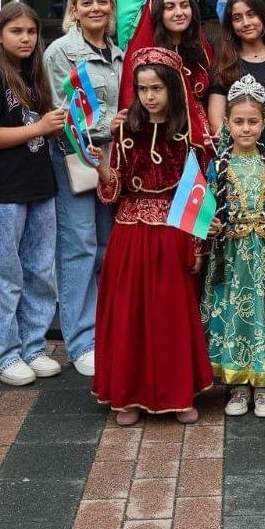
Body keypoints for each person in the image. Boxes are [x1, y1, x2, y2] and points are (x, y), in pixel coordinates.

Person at [95, 48, 213, 425]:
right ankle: (127, 395)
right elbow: (113, 191)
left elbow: (198, 194)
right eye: (142, 88)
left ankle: (179, 394)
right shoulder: (126, 130)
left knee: (171, 314)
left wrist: (196, 244)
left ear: (173, 89)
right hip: (130, 235)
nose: (149, 96)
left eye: (157, 88)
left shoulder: (188, 136)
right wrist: (101, 160)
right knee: (129, 314)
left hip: (172, 234)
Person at [0, 2, 66, 388]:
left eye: (30, 31)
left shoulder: (34, 72)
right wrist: (39, 128)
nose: (25, 38)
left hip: (39, 186)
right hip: (0, 193)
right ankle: (1, 355)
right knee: (3, 276)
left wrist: (55, 128)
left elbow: (39, 129)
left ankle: (32, 346)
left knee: (40, 272)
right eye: (16, 31)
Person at [202, 75, 265, 418]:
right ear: (227, 123)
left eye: (253, 121)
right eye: (239, 121)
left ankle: (264, 387)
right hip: (231, 258)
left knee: (264, 313)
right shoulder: (218, 164)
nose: (246, 128)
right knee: (235, 315)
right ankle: (238, 386)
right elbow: (207, 209)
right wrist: (211, 226)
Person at [43, 0, 123, 380]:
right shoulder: (62, 52)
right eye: (86, 2)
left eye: (102, 2)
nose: (95, 8)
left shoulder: (119, 54)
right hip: (76, 157)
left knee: (107, 246)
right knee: (79, 248)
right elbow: (63, 112)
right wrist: (101, 135)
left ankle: (105, 330)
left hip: (113, 159)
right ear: (74, 9)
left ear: (111, 8)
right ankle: (81, 341)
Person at [122, 0, 214, 162]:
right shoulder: (145, 53)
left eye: (184, 5)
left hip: (204, 139)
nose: (179, 12)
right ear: (157, 12)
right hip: (164, 142)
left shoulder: (201, 48)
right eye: (169, 7)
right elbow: (134, 101)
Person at [207, 0, 265, 128]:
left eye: (251, 15)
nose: (246, 23)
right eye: (237, 18)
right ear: (231, 25)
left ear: (262, 17)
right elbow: (216, 123)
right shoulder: (223, 65)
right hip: (236, 147)